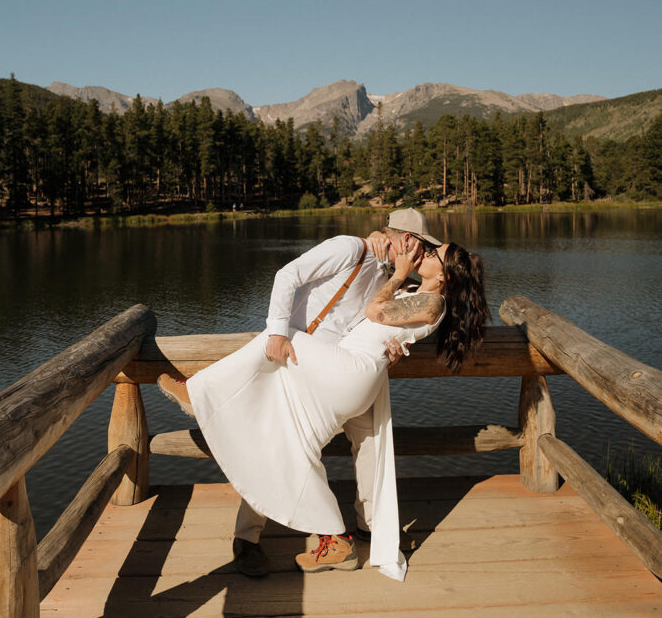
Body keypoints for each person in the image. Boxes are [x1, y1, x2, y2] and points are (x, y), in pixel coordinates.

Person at [157, 210, 490, 581]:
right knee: (284, 446)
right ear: (398, 237)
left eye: (429, 252)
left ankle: (200, 389)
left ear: (443, 275)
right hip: (330, 373)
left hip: (347, 375)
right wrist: (393, 336)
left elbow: (376, 312)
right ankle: (331, 537)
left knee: (282, 337)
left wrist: (393, 285)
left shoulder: (424, 298)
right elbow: (369, 318)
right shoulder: (369, 261)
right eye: (419, 245)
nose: (419, 254)